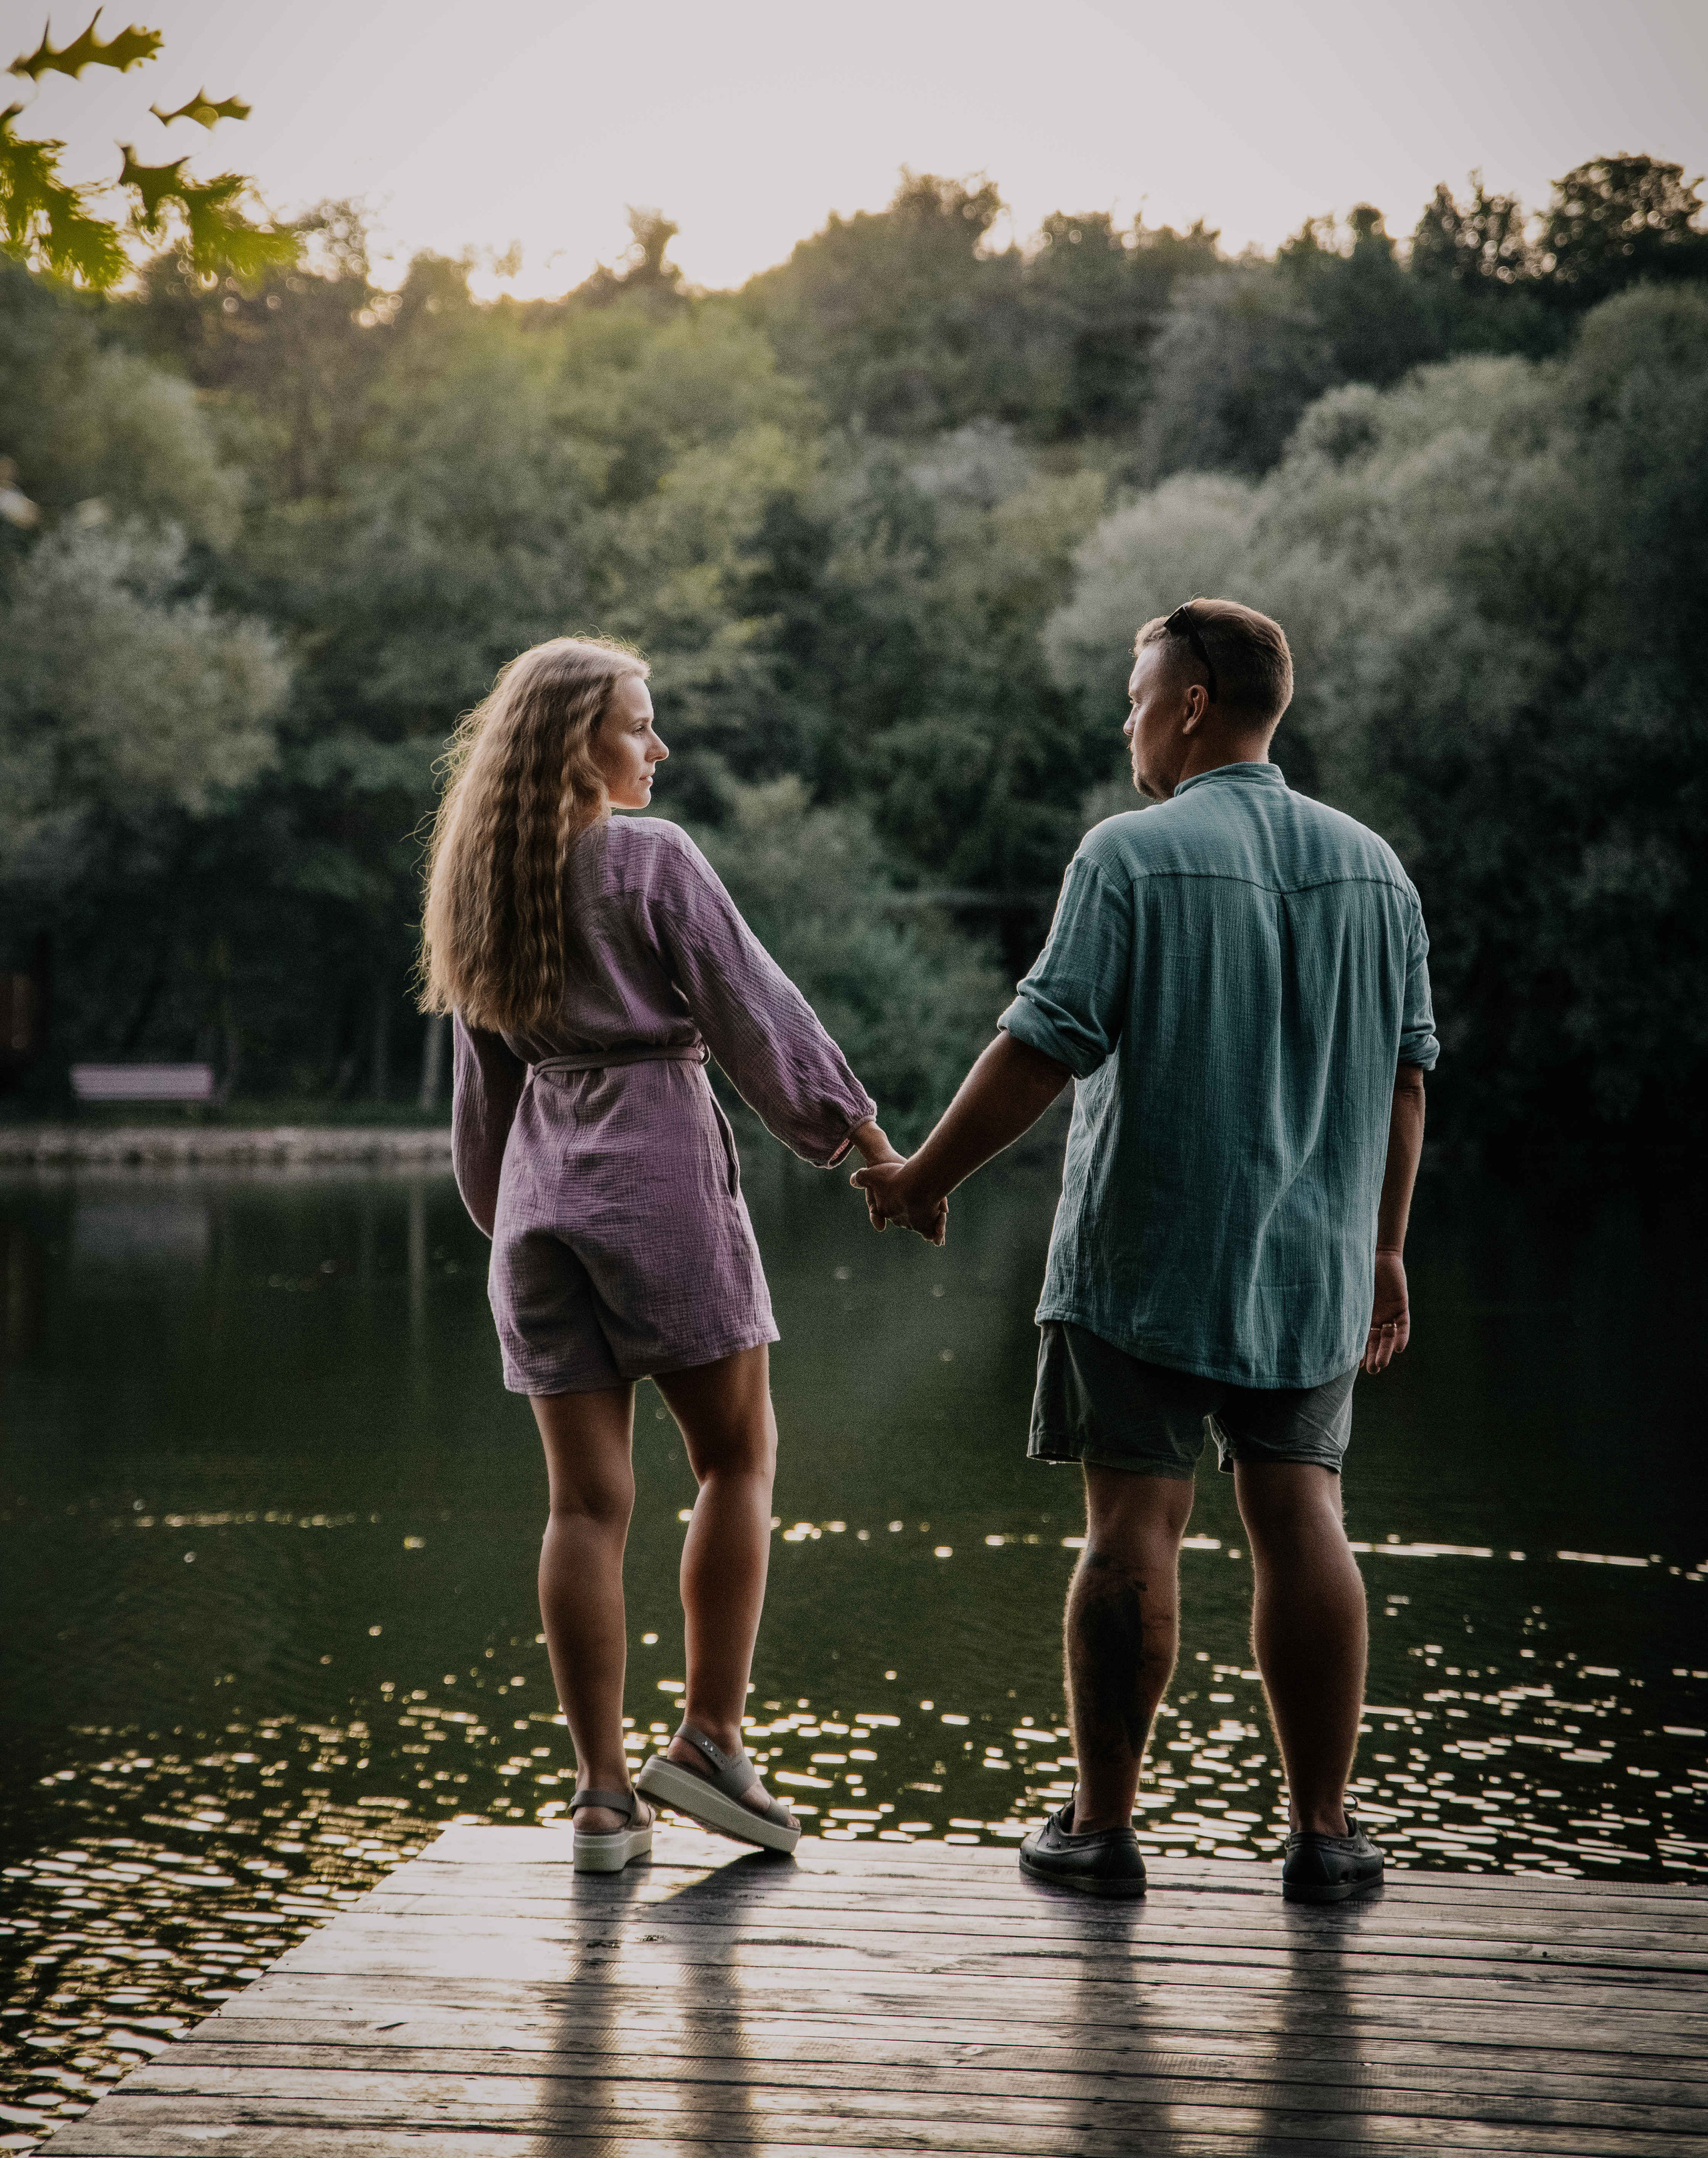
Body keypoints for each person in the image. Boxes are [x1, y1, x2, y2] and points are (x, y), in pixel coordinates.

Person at [854, 598, 1435, 1905]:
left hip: (1140, 1258)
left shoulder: (1128, 855)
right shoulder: (1374, 870)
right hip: (1314, 1259)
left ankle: (1101, 1831)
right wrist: (1383, 1255)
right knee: (1302, 1518)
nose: (1124, 722)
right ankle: (1326, 1837)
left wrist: (917, 1179)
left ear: (1186, 703)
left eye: (1133, 698)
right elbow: (1405, 1082)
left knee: (1130, 1529)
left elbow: (1040, 1045)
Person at [422, 636, 915, 1873]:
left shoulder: (482, 884)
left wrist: (508, 1215)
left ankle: (598, 1799)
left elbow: (482, 1091)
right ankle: (708, 1738)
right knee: (737, 1457)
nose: (660, 748)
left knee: (583, 1505)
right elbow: (757, 1005)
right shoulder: (649, 857)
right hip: (657, 1179)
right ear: (581, 740)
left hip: (541, 1202)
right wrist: (865, 1139)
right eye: (641, 726)